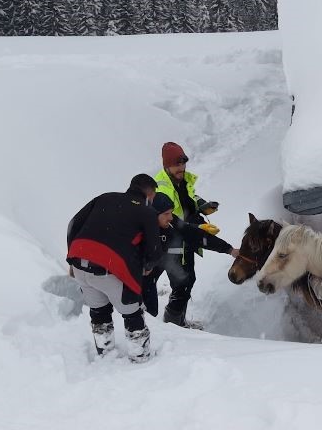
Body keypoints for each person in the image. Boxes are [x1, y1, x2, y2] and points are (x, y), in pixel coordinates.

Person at [67, 173, 163, 362]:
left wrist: (72, 256)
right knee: (132, 312)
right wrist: (149, 265)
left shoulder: (105, 197)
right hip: (109, 268)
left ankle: (105, 353)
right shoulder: (147, 212)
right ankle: (140, 357)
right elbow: (154, 249)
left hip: (80, 263)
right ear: (149, 194)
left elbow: (73, 224)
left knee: (99, 310)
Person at [153, 141, 228, 326]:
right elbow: (171, 221)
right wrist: (198, 228)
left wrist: (202, 205)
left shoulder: (182, 180)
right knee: (182, 283)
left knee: (187, 280)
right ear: (166, 166)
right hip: (171, 243)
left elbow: (189, 197)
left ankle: (177, 321)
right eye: (176, 164)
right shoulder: (162, 188)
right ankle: (172, 324)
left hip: (185, 240)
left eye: (183, 163)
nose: (181, 168)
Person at [143, 193, 240, 322]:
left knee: (184, 284)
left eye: (171, 213)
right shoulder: (139, 227)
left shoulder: (172, 222)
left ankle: (173, 323)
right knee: (147, 300)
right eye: (166, 214)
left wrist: (229, 249)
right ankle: (145, 324)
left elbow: (195, 235)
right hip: (146, 264)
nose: (171, 217)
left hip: (170, 257)